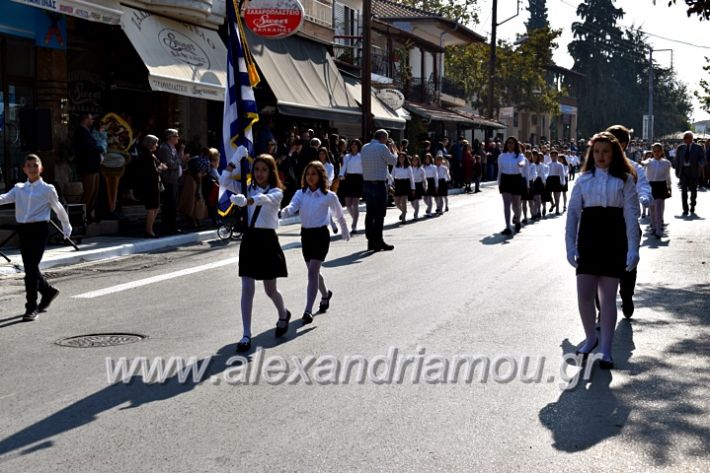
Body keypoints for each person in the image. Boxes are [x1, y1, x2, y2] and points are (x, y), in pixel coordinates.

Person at [565, 132, 640, 369]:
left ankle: (606, 351)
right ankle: (591, 338)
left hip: (614, 238)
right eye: (596, 151)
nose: (601, 156)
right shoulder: (584, 179)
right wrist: (569, 246)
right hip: (589, 238)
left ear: (614, 153)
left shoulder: (625, 180)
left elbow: (631, 214)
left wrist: (633, 249)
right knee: (585, 294)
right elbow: (573, 214)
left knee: (608, 298)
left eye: (605, 151)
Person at [220, 153, 290, 351]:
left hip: (267, 241)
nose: (259, 173)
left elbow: (264, 199)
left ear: (271, 171)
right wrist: (235, 159)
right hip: (250, 240)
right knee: (247, 288)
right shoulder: (246, 187)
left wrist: (247, 201)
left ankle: (283, 313)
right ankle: (246, 334)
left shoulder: (277, 191)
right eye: (256, 169)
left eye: (264, 170)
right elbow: (223, 180)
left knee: (270, 290)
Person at [0, 154, 72, 321]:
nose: (32, 168)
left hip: (39, 230)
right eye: (29, 166)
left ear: (41, 169)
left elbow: (59, 209)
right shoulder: (18, 188)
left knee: (31, 270)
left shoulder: (48, 189)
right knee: (31, 268)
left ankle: (31, 307)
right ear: (24, 169)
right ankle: (48, 291)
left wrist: (66, 228)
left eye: (35, 165)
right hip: (24, 231)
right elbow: (3, 199)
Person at [280, 161, 350, 324]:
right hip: (306, 235)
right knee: (314, 273)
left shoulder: (328, 195)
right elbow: (293, 206)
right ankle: (325, 294)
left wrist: (344, 229)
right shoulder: (300, 193)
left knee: (312, 272)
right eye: (308, 174)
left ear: (320, 176)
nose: (310, 177)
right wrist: (286, 211)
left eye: (314, 174)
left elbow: (338, 213)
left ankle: (308, 310)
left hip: (320, 236)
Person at [605, 125, 652, 318]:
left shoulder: (634, 167)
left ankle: (626, 296)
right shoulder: (598, 166)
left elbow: (643, 185)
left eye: (612, 141)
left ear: (623, 145)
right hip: (602, 225)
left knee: (627, 265)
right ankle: (603, 305)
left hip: (627, 223)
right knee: (602, 267)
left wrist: (644, 197)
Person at [361, 129, 397, 252]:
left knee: (370, 213)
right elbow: (393, 161)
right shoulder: (382, 147)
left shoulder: (365, 147)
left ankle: (371, 240)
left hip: (367, 184)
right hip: (378, 184)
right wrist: (393, 150)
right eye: (386, 138)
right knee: (380, 214)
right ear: (382, 138)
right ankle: (378, 240)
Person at [73, 113, 103, 222]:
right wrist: (99, 148)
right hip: (87, 167)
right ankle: (83, 216)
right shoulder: (81, 132)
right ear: (85, 119)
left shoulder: (88, 132)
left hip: (94, 167)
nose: (93, 121)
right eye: (91, 119)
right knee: (88, 192)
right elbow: (88, 147)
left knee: (94, 192)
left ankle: (89, 214)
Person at [136, 135, 167, 238]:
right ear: (151, 144)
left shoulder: (150, 155)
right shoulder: (147, 155)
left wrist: (160, 166)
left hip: (153, 184)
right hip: (150, 185)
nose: (157, 145)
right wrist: (160, 168)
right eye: (155, 143)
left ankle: (150, 229)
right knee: (152, 207)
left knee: (155, 207)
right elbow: (152, 171)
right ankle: (149, 230)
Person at [157, 129, 184, 234]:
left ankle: (172, 226)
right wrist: (179, 161)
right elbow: (170, 164)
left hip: (174, 180)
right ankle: (167, 227)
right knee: (169, 204)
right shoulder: (164, 148)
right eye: (176, 136)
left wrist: (178, 161)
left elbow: (175, 162)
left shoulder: (173, 148)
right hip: (168, 180)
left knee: (173, 204)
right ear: (170, 137)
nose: (178, 138)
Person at [497, 137, 526, 235]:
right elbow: (500, 170)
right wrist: (499, 183)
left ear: (515, 144)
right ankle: (507, 226)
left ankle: (518, 221)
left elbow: (523, 162)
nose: (510, 145)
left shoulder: (519, 155)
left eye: (512, 143)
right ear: (506, 144)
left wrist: (521, 164)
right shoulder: (502, 156)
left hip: (516, 179)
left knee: (516, 204)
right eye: (509, 143)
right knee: (506, 205)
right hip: (505, 180)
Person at [673, 131, 705, 216]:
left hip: (693, 171)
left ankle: (692, 204)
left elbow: (702, 158)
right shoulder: (680, 148)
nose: (685, 139)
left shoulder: (698, 147)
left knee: (693, 190)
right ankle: (685, 209)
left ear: (691, 138)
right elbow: (677, 160)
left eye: (687, 137)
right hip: (683, 171)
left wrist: (700, 165)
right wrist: (677, 171)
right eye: (684, 138)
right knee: (684, 191)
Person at [645, 143, 673, 238]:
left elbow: (668, 176)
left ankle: (659, 229)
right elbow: (644, 164)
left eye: (658, 151)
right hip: (650, 185)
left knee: (658, 208)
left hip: (661, 185)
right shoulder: (649, 161)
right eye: (655, 151)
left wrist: (669, 187)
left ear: (662, 152)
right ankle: (653, 226)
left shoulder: (666, 163)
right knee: (652, 208)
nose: (656, 153)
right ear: (652, 152)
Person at [338, 139, 363, 234]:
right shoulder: (347, 156)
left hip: (358, 179)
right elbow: (343, 167)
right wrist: (341, 174)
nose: (353, 146)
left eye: (355, 145)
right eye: (352, 144)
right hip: (349, 179)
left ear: (358, 146)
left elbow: (364, 168)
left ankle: (354, 225)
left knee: (355, 204)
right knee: (348, 204)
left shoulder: (361, 156)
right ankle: (355, 218)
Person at [392, 153, 415, 223]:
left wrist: (413, 188)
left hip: (405, 184)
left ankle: (403, 219)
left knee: (403, 202)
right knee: (396, 202)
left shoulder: (408, 167)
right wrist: (390, 184)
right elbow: (392, 176)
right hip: (398, 184)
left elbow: (411, 178)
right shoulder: (395, 166)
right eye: (400, 157)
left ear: (405, 158)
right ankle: (404, 211)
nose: (401, 159)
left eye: (403, 157)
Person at [410, 155, 427, 220]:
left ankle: (416, 214)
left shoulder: (421, 169)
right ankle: (416, 209)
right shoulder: (410, 168)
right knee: (412, 201)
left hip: (418, 185)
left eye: (416, 160)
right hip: (411, 186)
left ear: (418, 161)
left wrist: (425, 187)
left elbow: (424, 179)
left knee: (416, 201)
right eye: (413, 160)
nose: (414, 161)